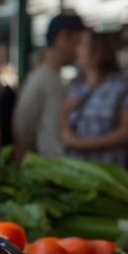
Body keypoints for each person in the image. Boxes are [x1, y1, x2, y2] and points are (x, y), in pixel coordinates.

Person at [59, 29, 128, 168]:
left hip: (110, 169)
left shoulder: (123, 86)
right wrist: (64, 111)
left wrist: (81, 144)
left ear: (98, 50)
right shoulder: (76, 86)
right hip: (77, 168)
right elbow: (65, 129)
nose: (76, 49)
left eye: (81, 44)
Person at [15, 14, 86, 158]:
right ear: (62, 38)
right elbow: (21, 128)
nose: (78, 49)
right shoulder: (41, 79)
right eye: (76, 42)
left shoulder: (57, 78)